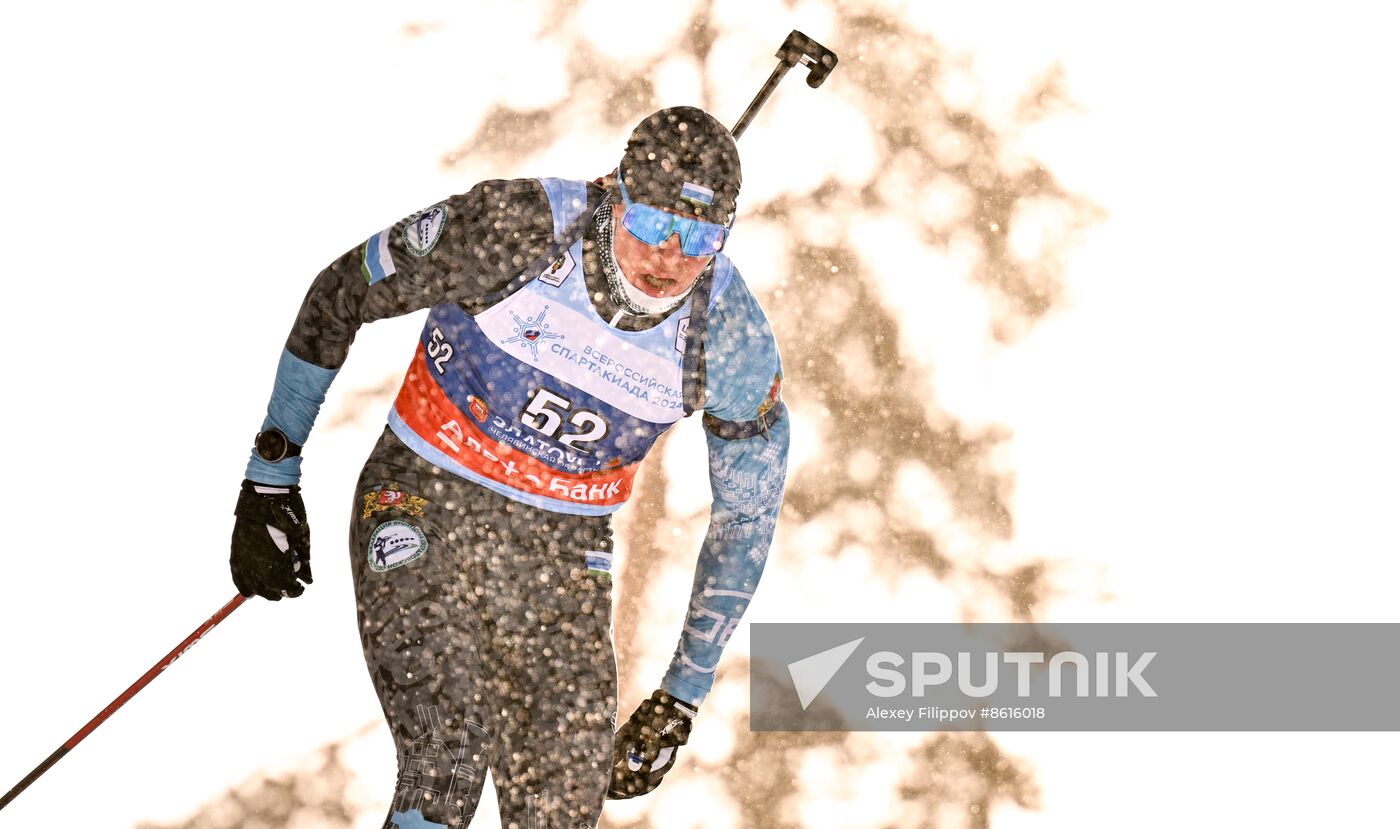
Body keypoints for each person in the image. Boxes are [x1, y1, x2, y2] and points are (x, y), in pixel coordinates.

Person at [228, 106, 789, 829]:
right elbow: (342, 290)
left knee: (562, 807)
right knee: (448, 757)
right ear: (616, 193)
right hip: (425, 498)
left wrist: (680, 695)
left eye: (702, 239)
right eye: (652, 225)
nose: (670, 257)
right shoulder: (517, 226)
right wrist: (269, 477)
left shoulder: (731, 336)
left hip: (559, 552)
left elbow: (748, 514)